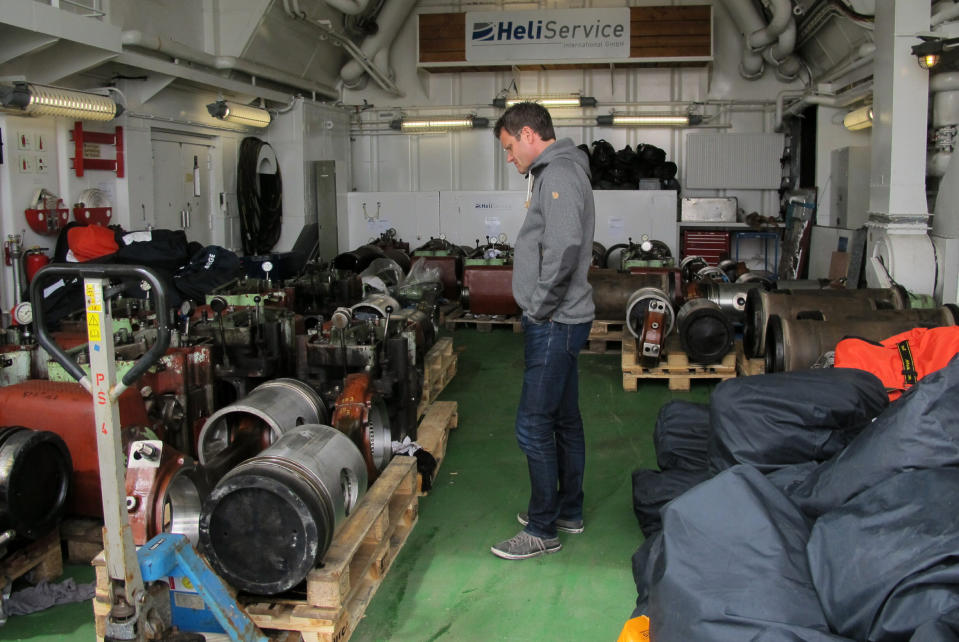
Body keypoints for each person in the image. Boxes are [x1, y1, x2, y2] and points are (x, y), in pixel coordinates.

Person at [490, 102, 596, 560]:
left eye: (510, 148)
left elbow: (565, 248)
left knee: (533, 424)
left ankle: (541, 529)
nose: (510, 159)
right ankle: (567, 510)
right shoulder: (556, 172)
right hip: (563, 318)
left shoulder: (559, 175)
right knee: (563, 420)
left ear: (529, 134)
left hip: (554, 321)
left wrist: (538, 308)